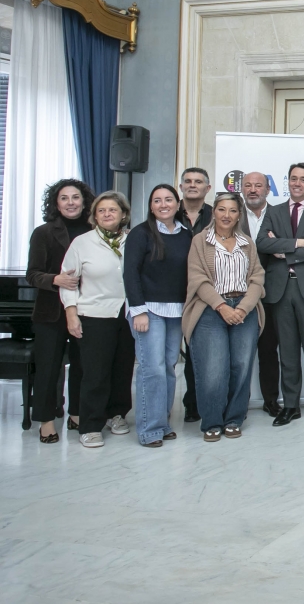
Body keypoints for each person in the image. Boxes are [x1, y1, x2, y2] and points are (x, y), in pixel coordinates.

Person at [184, 192, 266, 441]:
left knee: (241, 367)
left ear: (239, 215)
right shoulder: (200, 241)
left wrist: (242, 308)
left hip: (245, 309)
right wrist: (222, 307)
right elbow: (198, 278)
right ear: (214, 212)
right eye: (222, 209)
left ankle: (234, 419)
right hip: (210, 309)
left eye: (232, 210)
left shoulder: (247, 243)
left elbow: (257, 277)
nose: (227, 215)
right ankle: (212, 421)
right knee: (213, 369)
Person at [256, 162, 304, 428]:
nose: (296, 183)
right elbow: (262, 244)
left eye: (303, 180)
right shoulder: (273, 211)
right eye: (293, 178)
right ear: (287, 181)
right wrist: (299, 243)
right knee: (286, 353)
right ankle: (290, 406)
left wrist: (284, 250)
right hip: (279, 290)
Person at [59, 191, 136, 449]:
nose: (106, 214)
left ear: (123, 214)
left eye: (112, 210)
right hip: (94, 314)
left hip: (127, 314)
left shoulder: (133, 240)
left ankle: (116, 414)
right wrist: (71, 314)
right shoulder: (82, 243)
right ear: (94, 215)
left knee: (123, 368)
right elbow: (68, 282)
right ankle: (90, 425)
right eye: (101, 210)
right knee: (95, 372)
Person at [122, 184, 191, 447]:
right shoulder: (141, 234)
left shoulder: (187, 234)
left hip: (176, 311)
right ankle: (150, 429)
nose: (164, 204)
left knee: (170, 369)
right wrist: (138, 310)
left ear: (178, 203)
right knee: (152, 369)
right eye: (157, 200)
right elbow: (130, 273)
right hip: (147, 310)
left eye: (169, 199)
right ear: (151, 206)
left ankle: (162, 422)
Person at [28, 179, 95, 443]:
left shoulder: (94, 230)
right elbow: (32, 274)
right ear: (56, 203)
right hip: (50, 312)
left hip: (87, 308)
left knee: (82, 365)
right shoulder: (43, 232)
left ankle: (77, 414)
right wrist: (55, 280)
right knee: (48, 368)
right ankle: (46, 420)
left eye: (75, 197)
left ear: (84, 201)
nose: (70, 203)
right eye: (64, 198)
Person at [241, 171, 282, 418]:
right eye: (248, 185)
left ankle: (270, 400)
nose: (253, 190)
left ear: (268, 189)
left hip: (271, 293)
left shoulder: (279, 215)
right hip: (238, 293)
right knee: (240, 353)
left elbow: (287, 244)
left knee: (268, 350)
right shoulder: (230, 215)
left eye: (258, 185)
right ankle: (238, 402)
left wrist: (277, 245)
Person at [177, 167, 213, 424]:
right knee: (166, 357)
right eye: (188, 181)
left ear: (207, 188)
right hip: (169, 291)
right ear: (180, 187)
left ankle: (195, 403)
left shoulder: (216, 214)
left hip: (203, 293)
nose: (192, 185)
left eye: (198, 182)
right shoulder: (167, 210)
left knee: (197, 354)